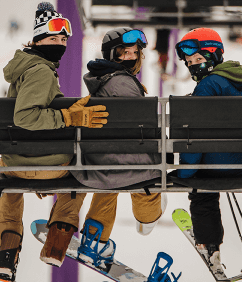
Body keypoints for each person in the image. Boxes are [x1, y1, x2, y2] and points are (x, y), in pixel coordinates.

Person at [0, 2, 109, 281]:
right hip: (50, 166)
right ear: (38, 40)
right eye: (54, 38)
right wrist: (68, 117)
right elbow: (25, 117)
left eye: (64, 39)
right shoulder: (41, 70)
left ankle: (5, 254)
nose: (61, 44)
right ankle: (57, 242)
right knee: (78, 177)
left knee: (9, 183)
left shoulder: (23, 68)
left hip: (15, 164)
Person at [173, 28, 242, 274]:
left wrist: (186, 174)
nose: (193, 65)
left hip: (213, 168)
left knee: (201, 190)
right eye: (189, 62)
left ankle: (209, 245)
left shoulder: (206, 87)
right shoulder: (237, 82)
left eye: (198, 59)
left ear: (214, 56)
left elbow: (194, 138)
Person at [66, 27, 168, 266]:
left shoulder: (100, 81)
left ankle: (95, 241)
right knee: (149, 186)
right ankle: (148, 217)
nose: (131, 57)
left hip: (102, 164)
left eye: (134, 53)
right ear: (112, 55)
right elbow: (141, 124)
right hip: (136, 165)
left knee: (108, 185)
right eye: (124, 53)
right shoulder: (124, 83)